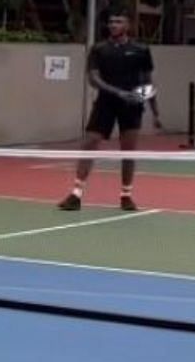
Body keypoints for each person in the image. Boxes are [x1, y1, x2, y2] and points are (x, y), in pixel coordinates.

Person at [58, 11, 159, 213]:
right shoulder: (99, 49)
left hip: (132, 106)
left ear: (128, 25)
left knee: (128, 151)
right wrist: (118, 92)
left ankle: (126, 196)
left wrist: (155, 111)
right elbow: (93, 79)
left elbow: (148, 81)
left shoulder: (141, 50)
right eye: (111, 21)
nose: (113, 24)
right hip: (105, 103)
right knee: (89, 143)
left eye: (118, 21)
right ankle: (76, 195)